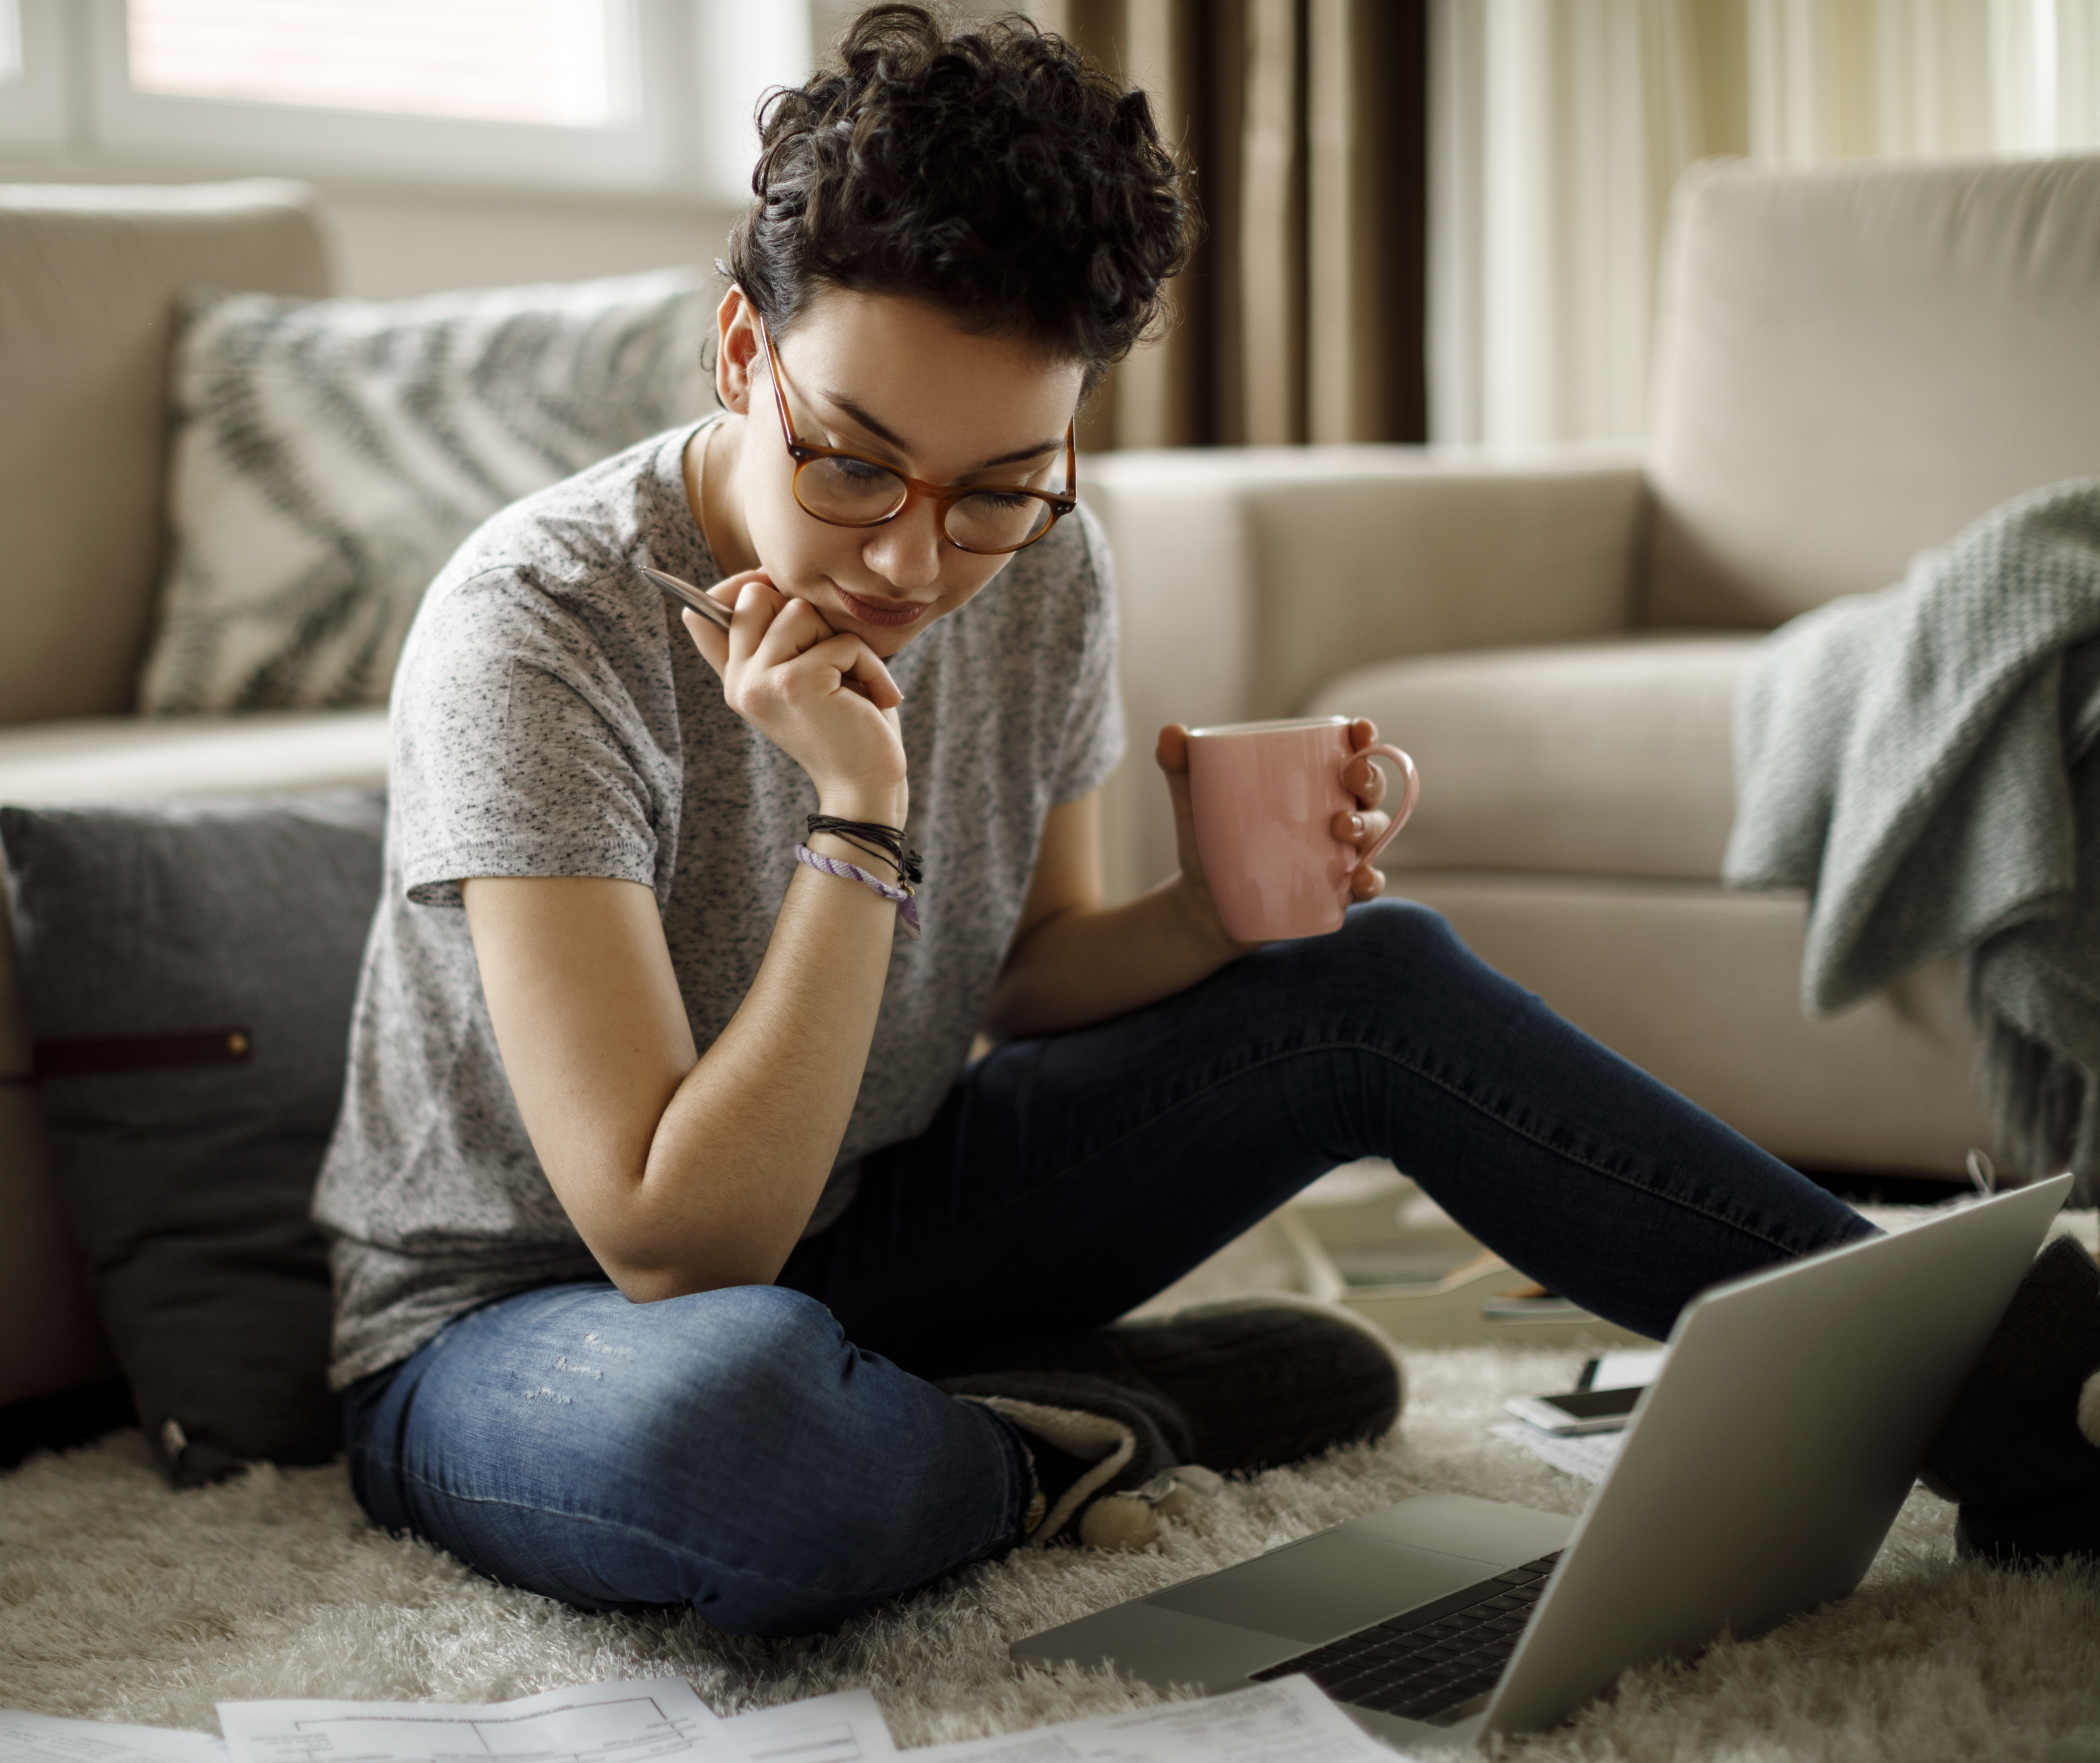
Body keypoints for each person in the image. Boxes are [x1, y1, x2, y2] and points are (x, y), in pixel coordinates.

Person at [314, 6, 1889, 1637]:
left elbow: (1032, 969)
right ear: (740, 355)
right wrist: (859, 817)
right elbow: (673, 1241)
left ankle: (1999, 1374)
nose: (916, 563)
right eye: (854, 465)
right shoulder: (539, 625)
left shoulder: (1052, 558)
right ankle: (1093, 1424)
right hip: (522, 1321)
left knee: (1377, 975)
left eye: (1000, 485)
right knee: (744, 1436)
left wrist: (1216, 915)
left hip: (875, 1220)